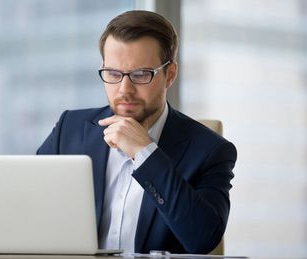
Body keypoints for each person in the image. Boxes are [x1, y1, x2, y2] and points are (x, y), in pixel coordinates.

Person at [37, 10, 237, 254]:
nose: (124, 90)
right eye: (112, 73)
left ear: (170, 74)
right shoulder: (69, 129)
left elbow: (203, 239)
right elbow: (29, 208)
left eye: (141, 74)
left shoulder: (209, 151)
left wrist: (146, 153)